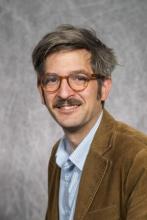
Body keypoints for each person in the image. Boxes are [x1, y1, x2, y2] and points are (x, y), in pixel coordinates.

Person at [32, 24, 147, 220]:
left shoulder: (139, 157)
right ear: (41, 91)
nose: (64, 93)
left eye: (79, 78)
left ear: (104, 88)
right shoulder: (58, 156)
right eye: (51, 80)